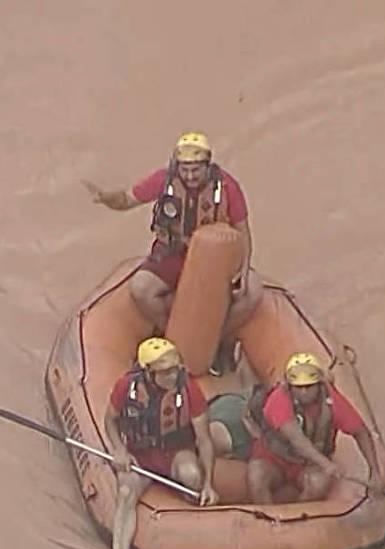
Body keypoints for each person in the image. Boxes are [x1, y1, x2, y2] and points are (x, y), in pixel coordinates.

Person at [85, 132, 258, 375]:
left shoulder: (228, 187)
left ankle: (220, 342)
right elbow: (127, 200)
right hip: (173, 253)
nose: (189, 176)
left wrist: (244, 269)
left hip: (214, 259)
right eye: (185, 169)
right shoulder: (164, 180)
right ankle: (171, 336)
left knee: (252, 295)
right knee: (141, 290)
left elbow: (243, 231)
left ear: (207, 166)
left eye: (195, 170)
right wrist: (105, 198)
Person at [101, 337, 218, 549]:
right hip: (140, 455)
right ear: (147, 372)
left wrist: (208, 483)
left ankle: (191, 517)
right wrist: (119, 450)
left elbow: (204, 440)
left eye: (174, 369)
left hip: (174, 452)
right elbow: (110, 420)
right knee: (125, 492)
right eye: (164, 372)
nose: (171, 375)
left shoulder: (189, 390)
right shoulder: (126, 386)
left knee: (191, 475)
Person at [245, 353, 385, 504]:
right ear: (289, 386)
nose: (304, 392)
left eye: (309, 386)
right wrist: (326, 464)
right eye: (298, 387)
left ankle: (300, 513)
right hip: (275, 458)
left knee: (319, 484)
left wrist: (375, 471)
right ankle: (268, 518)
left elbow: (360, 432)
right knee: (256, 476)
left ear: (319, 384)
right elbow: (296, 438)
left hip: (308, 465)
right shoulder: (278, 399)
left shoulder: (332, 402)